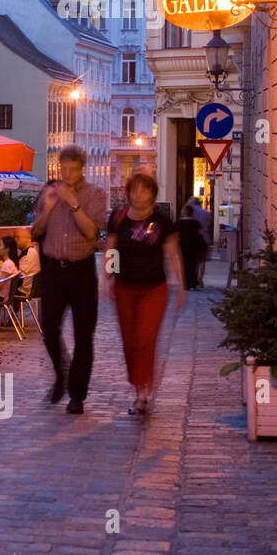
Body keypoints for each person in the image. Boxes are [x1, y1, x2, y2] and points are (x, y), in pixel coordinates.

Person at [29, 145, 108, 415]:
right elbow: (36, 230)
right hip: (53, 270)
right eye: (63, 168)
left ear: (82, 169)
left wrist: (74, 203)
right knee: (49, 329)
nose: (67, 174)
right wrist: (49, 208)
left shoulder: (95, 194)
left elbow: (91, 234)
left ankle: (77, 394)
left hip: (82, 270)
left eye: (73, 169)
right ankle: (61, 372)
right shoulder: (48, 191)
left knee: (83, 335)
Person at [103, 173, 187, 416]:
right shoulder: (119, 218)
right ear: (128, 193)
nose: (138, 194)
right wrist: (107, 278)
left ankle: (143, 393)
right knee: (130, 341)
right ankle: (139, 384)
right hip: (124, 288)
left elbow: (173, 253)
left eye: (144, 190)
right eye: (134, 190)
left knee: (144, 339)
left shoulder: (162, 221)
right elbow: (112, 250)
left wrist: (180, 286)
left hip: (154, 289)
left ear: (152, 193)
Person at [175, 205, 205, 290]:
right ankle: (193, 283)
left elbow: (175, 235)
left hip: (182, 246)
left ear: (184, 212)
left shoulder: (179, 223)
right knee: (192, 264)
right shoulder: (196, 222)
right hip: (193, 246)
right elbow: (200, 234)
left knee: (183, 264)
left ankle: (186, 283)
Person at [189, 196, 213, 284]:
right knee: (202, 261)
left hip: (193, 239)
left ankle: (193, 278)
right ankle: (200, 279)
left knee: (193, 260)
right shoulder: (206, 213)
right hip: (204, 238)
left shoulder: (190, 212)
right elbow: (209, 224)